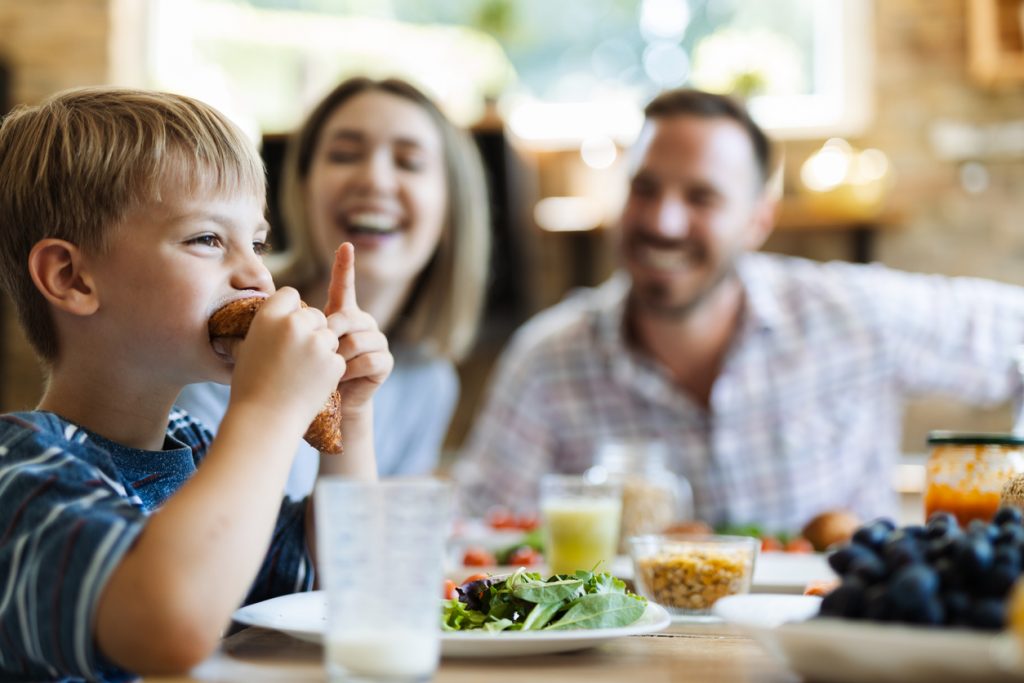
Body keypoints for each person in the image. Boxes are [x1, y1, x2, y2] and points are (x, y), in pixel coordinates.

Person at [455, 87, 1024, 532]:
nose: (662, 222)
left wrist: (1011, 514)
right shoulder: (548, 361)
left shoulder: (852, 313)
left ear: (758, 221)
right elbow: (480, 539)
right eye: (645, 189)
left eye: (701, 197)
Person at [0, 86, 392, 680]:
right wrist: (267, 411)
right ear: (72, 277)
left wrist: (351, 418)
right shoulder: (22, 472)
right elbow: (168, 625)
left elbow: (344, 582)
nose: (257, 274)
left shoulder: (195, 450)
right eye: (207, 239)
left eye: (257, 242)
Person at [177, 77, 490, 498]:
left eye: (409, 162)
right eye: (344, 155)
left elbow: (371, 548)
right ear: (303, 186)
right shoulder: (224, 336)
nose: (375, 180)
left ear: (451, 205)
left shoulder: (428, 380)